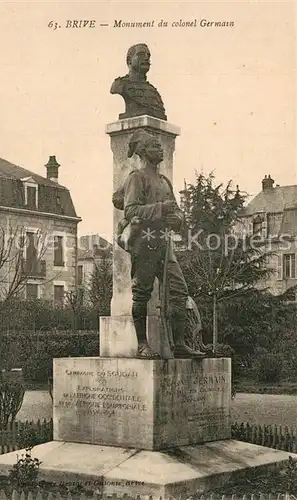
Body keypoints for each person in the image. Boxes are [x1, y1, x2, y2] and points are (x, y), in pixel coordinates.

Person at [113, 129, 205, 359]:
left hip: (165, 244)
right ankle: (142, 344)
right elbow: (131, 209)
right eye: (155, 146)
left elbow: (177, 210)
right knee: (141, 294)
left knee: (179, 290)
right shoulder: (137, 177)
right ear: (144, 151)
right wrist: (161, 209)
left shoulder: (164, 182)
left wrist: (179, 220)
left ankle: (180, 344)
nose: (160, 149)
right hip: (144, 243)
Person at [110, 43, 167, 121]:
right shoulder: (120, 85)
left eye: (148, 55)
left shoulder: (154, 92)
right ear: (129, 60)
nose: (146, 58)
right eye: (141, 54)